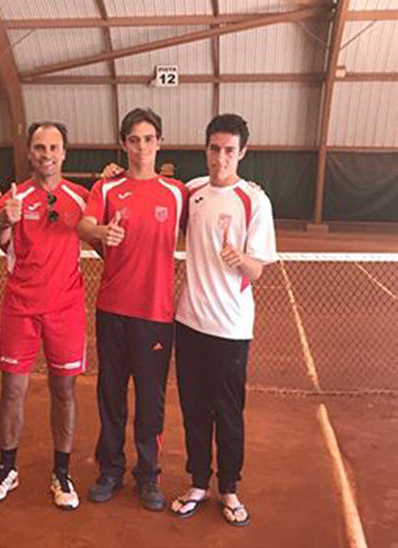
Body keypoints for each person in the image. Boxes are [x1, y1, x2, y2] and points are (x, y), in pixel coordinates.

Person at [78, 107, 187, 512]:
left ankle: (148, 474)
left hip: (156, 314)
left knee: (150, 401)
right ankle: (110, 470)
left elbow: (210, 209)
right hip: (113, 310)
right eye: (134, 139)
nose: (142, 147)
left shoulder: (178, 193)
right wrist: (100, 230)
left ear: (159, 142)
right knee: (110, 395)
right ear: (124, 144)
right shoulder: (106, 190)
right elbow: (83, 225)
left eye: (148, 139)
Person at [169, 114, 276, 527]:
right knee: (194, 410)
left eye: (229, 150)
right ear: (206, 149)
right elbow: (159, 203)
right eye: (215, 149)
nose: (221, 158)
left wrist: (240, 259)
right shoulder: (192, 191)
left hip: (230, 329)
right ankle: (198, 482)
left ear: (242, 153)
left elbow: (258, 270)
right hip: (189, 323)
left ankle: (229, 488)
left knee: (228, 413)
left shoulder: (255, 201)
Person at [0, 122, 89, 511]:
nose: (47, 154)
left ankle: (62, 472)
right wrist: (5, 219)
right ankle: (7, 467)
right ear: (30, 152)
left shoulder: (81, 198)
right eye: (40, 147)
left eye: (54, 147)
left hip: (66, 309)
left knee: (64, 390)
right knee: (12, 389)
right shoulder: (14, 197)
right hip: (20, 309)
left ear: (64, 152)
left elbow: (100, 227)